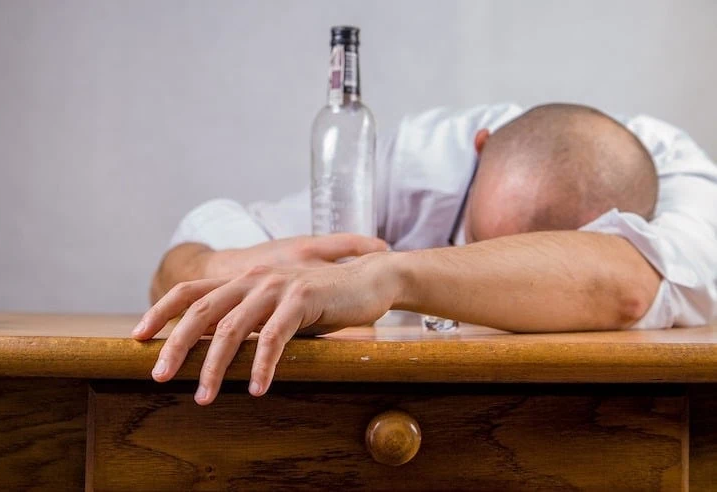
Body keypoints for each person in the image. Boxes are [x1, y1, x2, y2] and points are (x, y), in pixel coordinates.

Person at [132, 103, 717, 405]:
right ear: (478, 150)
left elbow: (626, 287)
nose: (491, 262)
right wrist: (219, 268)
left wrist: (383, 278)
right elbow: (188, 251)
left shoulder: (683, 178)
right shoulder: (420, 159)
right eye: (477, 239)